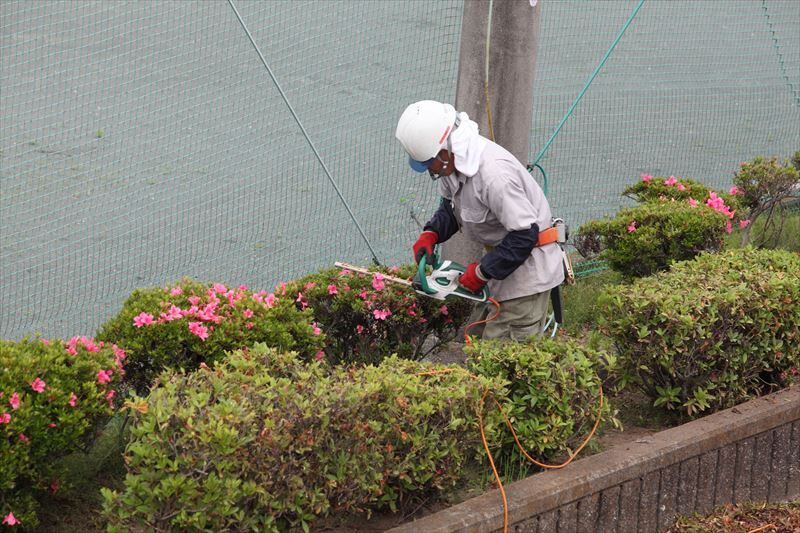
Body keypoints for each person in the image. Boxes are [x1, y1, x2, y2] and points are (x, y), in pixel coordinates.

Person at [395, 100, 564, 340]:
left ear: (445, 151)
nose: (431, 172)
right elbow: (451, 209)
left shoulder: (495, 176)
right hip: (501, 266)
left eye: (429, 164)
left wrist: (482, 272)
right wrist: (431, 233)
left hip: (528, 272)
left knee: (503, 356)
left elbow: (525, 235)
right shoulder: (452, 164)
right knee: (475, 339)